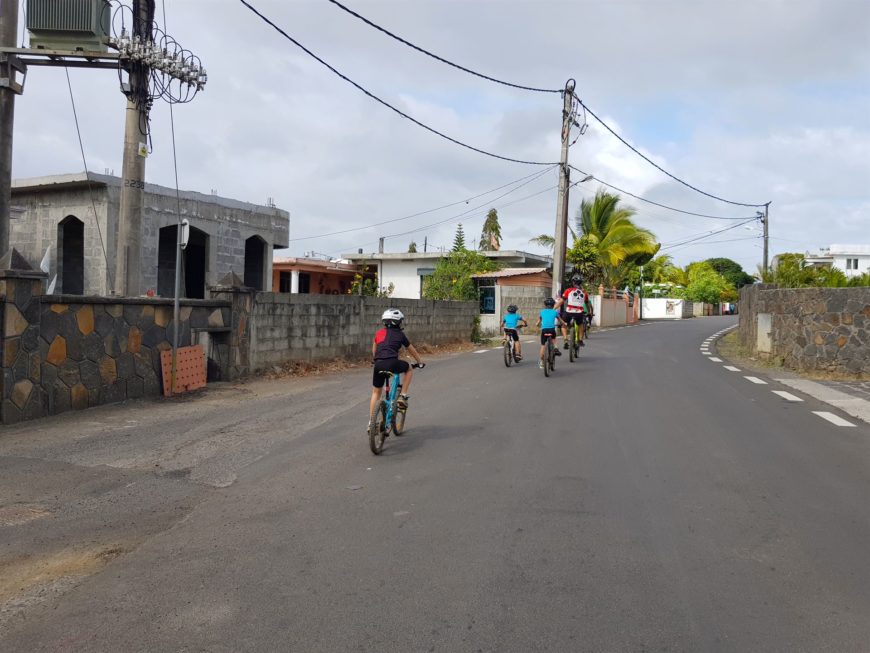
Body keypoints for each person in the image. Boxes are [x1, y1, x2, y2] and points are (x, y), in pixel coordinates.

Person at [369, 309, 424, 427]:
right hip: (393, 363)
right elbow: (411, 349)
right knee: (408, 368)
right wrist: (419, 362)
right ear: (398, 322)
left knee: (376, 392)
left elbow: (374, 350)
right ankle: (403, 395)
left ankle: (371, 423)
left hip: (378, 364)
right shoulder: (400, 334)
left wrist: (375, 361)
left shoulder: (379, 333)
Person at [556, 274, 590, 349]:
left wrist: (553, 308)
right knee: (580, 324)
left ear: (573, 283)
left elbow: (561, 301)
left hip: (569, 312)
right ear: (580, 283)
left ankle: (565, 339)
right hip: (579, 313)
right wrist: (589, 312)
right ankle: (580, 340)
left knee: (563, 325)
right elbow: (587, 305)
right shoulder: (584, 293)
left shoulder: (568, 290)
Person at [536, 297, 564, 368]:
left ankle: (542, 361)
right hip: (551, 330)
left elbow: (539, 321)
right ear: (553, 305)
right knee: (554, 339)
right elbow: (560, 320)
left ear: (545, 305)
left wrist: (537, 324)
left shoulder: (542, 312)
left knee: (543, 345)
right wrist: (564, 323)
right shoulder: (555, 312)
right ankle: (556, 348)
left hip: (544, 330)